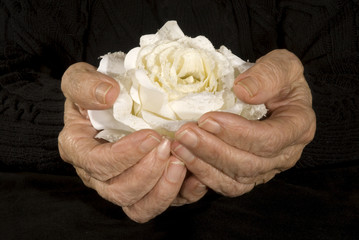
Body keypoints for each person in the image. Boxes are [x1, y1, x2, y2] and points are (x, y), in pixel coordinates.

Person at [1, 0, 358, 239]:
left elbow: (347, 83)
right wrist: (84, 121)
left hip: (293, 199)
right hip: (59, 200)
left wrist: (294, 122)